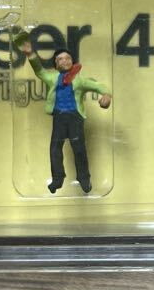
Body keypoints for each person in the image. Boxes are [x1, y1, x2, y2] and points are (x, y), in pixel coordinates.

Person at [17, 34, 112, 194]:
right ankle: (57, 178)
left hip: (75, 117)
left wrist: (106, 95)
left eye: (67, 58)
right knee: (55, 148)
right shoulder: (52, 78)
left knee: (79, 149)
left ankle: (84, 178)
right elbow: (39, 71)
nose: (64, 61)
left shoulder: (79, 80)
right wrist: (30, 54)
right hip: (59, 117)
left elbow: (98, 86)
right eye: (60, 59)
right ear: (56, 63)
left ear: (72, 61)